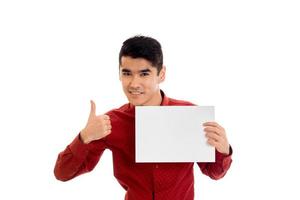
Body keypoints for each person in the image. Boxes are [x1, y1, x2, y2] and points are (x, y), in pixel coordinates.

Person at [54, 35, 233, 200]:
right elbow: (62, 173)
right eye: (127, 73)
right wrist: (84, 137)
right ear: (119, 74)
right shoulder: (110, 123)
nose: (134, 83)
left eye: (144, 74)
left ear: (161, 74)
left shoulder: (190, 115)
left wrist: (223, 150)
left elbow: (215, 173)